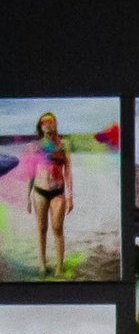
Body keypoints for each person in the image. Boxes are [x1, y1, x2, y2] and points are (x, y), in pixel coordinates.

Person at [23, 112, 73, 274]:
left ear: (55, 125)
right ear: (40, 127)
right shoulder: (35, 146)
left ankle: (59, 265)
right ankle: (42, 264)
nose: (47, 125)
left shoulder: (63, 145)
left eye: (50, 122)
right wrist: (27, 198)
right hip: (39, 191)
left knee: (57, 228)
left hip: (58, 192)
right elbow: (31, 172)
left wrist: (70, 197)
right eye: (44, 123)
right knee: (41, 228)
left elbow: (68, 172)